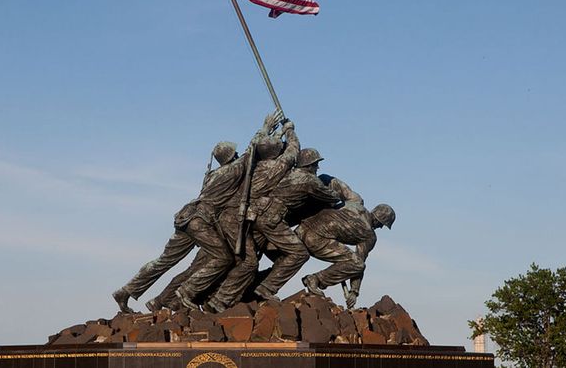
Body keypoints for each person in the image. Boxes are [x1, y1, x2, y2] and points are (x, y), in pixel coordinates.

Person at [112, 113, 279, 313]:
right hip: (200, 221)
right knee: (223, 258)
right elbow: (250, 153)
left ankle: (126, 291)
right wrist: (265, 128)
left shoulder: (213, 174)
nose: (236, 156)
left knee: (164, 261)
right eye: (233, 154)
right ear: (230, 157)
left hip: (187, 217)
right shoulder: (231, 171)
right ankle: (186, 292)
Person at [296, 171, 396, 309]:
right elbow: (358, 265)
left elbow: (330, 180)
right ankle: (315, 279)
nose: (380, 228)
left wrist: (317, 181)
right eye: (382, 225)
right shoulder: (369, 235)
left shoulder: (355, 200)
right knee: (357, 264)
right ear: (380, 223)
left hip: (301, 228)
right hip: (316, 239)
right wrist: (354, 291)